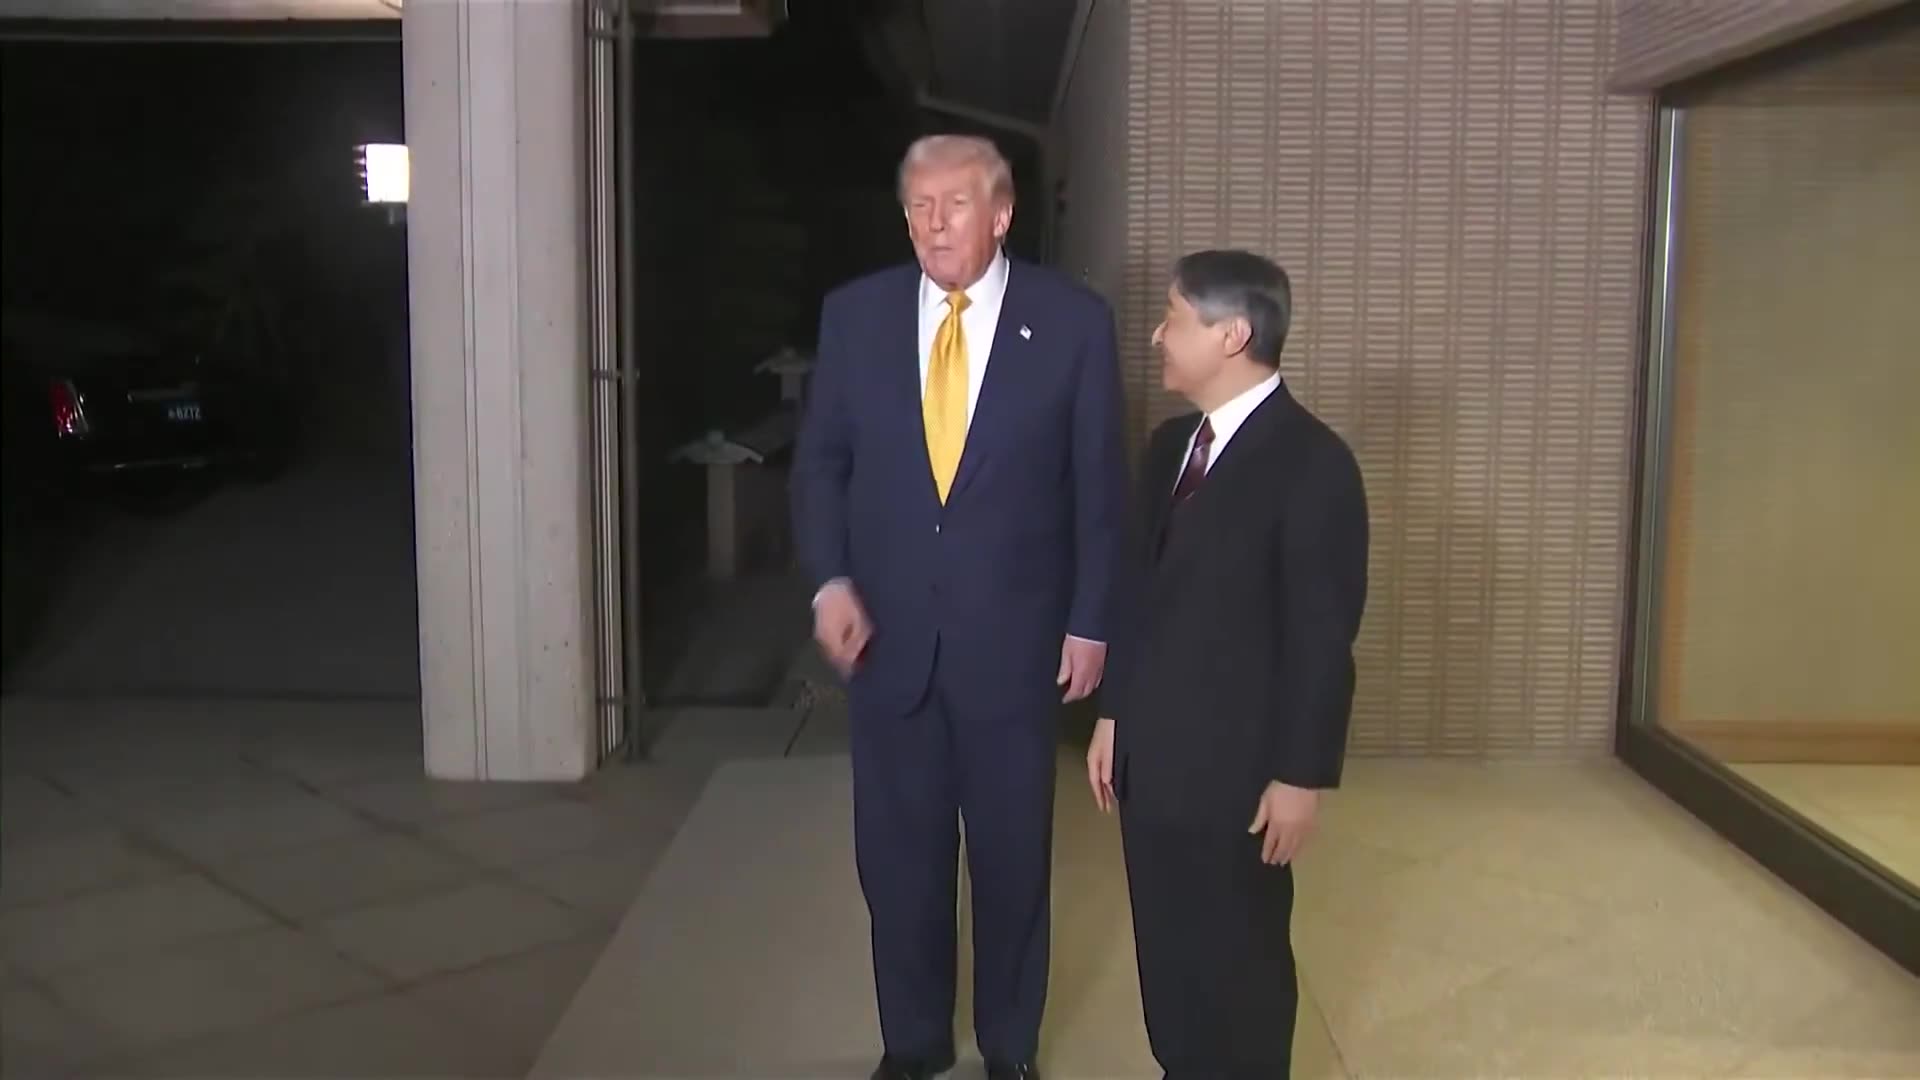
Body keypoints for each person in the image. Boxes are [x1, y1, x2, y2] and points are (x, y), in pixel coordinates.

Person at [791, 134, 1128, 1080]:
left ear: (1003, 213)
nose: (935, 225)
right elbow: (821, 466)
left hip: (1015, 648)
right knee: (897, 864)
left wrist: (1092, 618)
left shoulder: (1071, 323)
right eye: (918, 207)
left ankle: (1010, 1045)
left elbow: (1098, 491)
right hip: (887, 647)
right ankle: (914, 1041)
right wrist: (829, 581)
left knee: (1014, 863)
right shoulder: (855, 317)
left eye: (956, 205)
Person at [1086, 250, 1369, 1079]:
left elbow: (1323, 636)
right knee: (1166, 950)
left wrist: (1300, 775)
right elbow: (1136, 591)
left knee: (1239, 958)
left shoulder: (1313, 465)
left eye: (1175, 318)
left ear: (1234, 333)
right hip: (1152, 757)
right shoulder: (1171, 444)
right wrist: (1112, 714)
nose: (1157, 335)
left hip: (1241, 772)